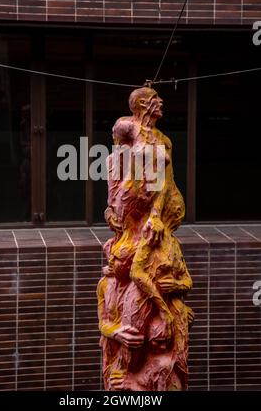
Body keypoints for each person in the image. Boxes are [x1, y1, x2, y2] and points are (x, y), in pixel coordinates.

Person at [97, 87, 194, 391]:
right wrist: (113, 206)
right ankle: (125, 373)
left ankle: (134, 375)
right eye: (154, 99)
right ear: (141, 105)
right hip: (131, 208)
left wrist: (156, 215)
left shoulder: (164, 140)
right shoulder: (128, 129)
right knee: (127, 279)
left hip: (157, 209)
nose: (161, 102)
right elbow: (115, 163)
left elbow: (166, 183)